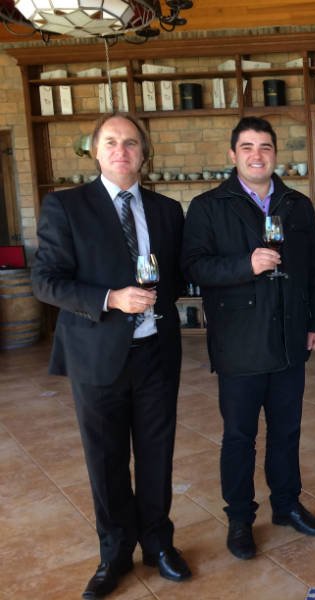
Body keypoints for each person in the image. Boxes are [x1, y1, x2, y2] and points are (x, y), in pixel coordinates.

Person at [31, 113, 190, 599]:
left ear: (144, 153)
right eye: (111, 142)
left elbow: (176, 277)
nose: (122, 151)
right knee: (106, 459)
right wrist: (110, 299)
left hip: (156, 353)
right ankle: (115, 553)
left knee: (157, 455)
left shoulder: (166, 210)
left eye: (131, 143)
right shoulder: (65, 206)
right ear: (95, 151)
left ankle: (158, 543)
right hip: (96, 355)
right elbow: (46, 281)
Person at [181, 117, 315, 559]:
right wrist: (245, 266)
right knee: (239, 436)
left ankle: (287, 505)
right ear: (233, 155)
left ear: (275, 154)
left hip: (289, 338)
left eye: (265, 147)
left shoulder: (297, 204)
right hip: (239, 342)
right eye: (247, 147)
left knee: (287, 431)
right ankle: (240, 518)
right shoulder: (208, 206)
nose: (256, 155)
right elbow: (193, 267)